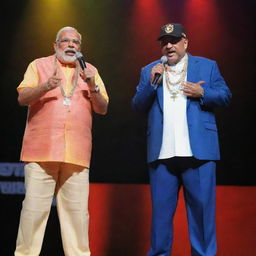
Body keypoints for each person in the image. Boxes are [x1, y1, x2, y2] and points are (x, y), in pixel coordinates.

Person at [132, 23, 231, 256]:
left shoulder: (207, 66)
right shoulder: (149, 71)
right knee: (160, 219)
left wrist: (203, 93)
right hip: (162, 155)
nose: (168, 46)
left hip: (198, 153)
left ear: (185, 42)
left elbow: (226, 95)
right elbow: (137, 105)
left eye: (174, 41)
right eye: (164, 42)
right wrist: (151, 83)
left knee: (202, 216)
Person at [15, 26, 109, 256]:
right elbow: (22, 98)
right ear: (55, 45)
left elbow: (103, 108)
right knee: (33, 213)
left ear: (80, 47)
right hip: (41, 151)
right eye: (65, 41)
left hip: (76, 154)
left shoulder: (91, 71)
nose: (70, 45)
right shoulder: (38, 65)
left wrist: (92, 86)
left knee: (77, 217)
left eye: (75, 42)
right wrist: (45, 86)